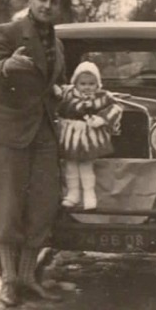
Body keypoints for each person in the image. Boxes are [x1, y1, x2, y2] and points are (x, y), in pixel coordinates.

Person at [0, 0, 66, 307]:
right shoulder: (8, 33)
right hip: (6, 133)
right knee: (7, 207)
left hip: (43, 133)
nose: (47, 6)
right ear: (31, 1)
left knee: (43, 205)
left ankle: (28, 277)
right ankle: (9, 281)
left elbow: (54, 87)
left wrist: (65, 94)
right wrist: (6, 66)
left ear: (60, 8)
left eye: (54, 2)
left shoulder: (57, 45)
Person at [56, 61, 123, 210]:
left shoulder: (103, 97)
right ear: (76, 83)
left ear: (97, 83)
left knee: (86, 166)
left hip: (89, 136)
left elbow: (116, 107)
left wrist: (102, 118)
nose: (87, 87)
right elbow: (60, 106)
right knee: (70, 166)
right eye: (83, 83)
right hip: (71, 136)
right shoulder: (68, 94)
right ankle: (73, 195)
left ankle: (89, 195)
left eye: (91, 83)